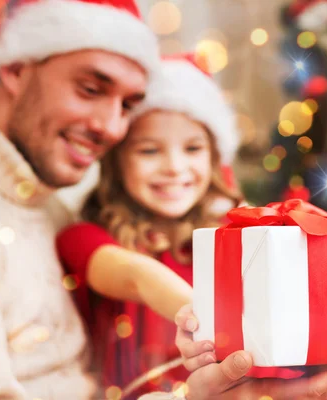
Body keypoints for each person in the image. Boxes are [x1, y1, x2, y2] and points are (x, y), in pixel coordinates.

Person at [0, 0, 327, 398]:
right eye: (90, 89)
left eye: (129, 105)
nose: (112, 128)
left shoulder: (45, 201)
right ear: (14, 68)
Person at [57, 53, 244, 398]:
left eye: (192, 148)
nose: (174, 167)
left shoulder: (230, 237)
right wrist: (202, 317)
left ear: (214, 157)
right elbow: (137, 276)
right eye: (149, 151)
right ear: (116, 162)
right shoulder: (83, 237)